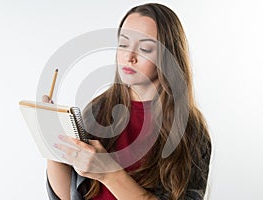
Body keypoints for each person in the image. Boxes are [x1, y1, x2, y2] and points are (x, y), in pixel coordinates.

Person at [43, 3, 211, 200]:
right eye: (123, 45)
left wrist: (109, 173)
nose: (129, 57)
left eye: (145, 49)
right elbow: (69, 195)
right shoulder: (97, 110)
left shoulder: (190, 131)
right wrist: (49, 138)